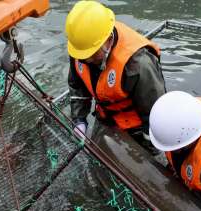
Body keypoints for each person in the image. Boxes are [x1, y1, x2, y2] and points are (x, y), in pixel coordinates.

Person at [65, 0, 166, 147]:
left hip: (136, 131)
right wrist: (79, 120)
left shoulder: (138, 64)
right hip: (105, 118)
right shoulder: (81, 48)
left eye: (93, 54)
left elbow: (155, 113)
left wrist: (149, 143)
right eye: (83, 55)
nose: (87, 59)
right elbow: (77, 86)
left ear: (108, 39)